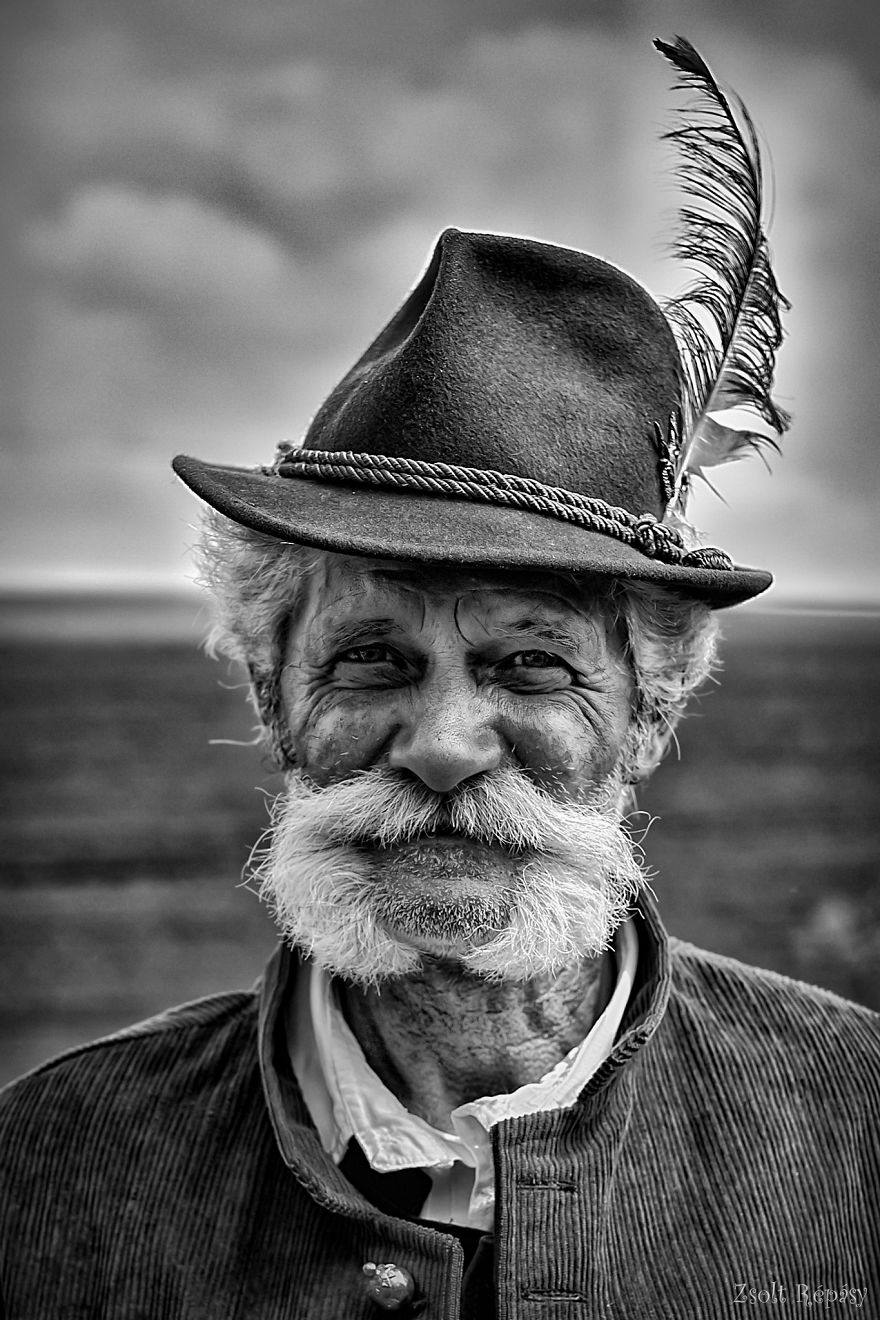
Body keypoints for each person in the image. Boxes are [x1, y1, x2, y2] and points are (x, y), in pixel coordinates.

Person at [1, 36, 876, 1319]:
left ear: (649, 708)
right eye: (372, 659)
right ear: (271, 691)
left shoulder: (855, 1127)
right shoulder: (53, 1165)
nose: (446, 740)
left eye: (530, 664)